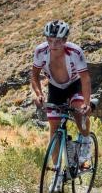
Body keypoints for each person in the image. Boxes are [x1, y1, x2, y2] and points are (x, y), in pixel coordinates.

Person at [30, 20, 93, 177]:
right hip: (55, 87)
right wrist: (38, 94)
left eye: (58, 41)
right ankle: (57, 171)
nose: (53, 44)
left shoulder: (75, 52)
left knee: (79, 111)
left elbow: (85, 78)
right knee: (54, 127)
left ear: (65, 40)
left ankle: (85, 147)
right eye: (49, 40)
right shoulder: (40, 51)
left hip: (75, 84)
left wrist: (86, 103)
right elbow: (34, 76)